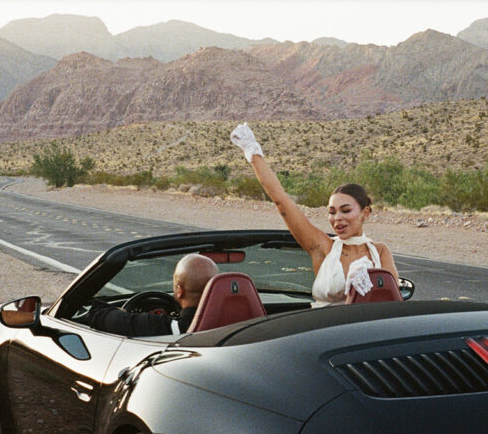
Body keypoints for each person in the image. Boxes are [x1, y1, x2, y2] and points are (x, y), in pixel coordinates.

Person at [230, 122, 398, 307]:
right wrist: (252, 152)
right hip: (324, 330)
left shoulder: (379, 251)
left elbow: (394, 302)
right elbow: (282, 201)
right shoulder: (324, 247)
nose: (337, 218)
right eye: (331, 212)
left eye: (346, 210)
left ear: (365, 212)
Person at [83, 253, 219, 335]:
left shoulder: (166, 327)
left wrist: (124, 313)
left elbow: (98, 315)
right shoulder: (233, 324)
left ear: (179, 291)